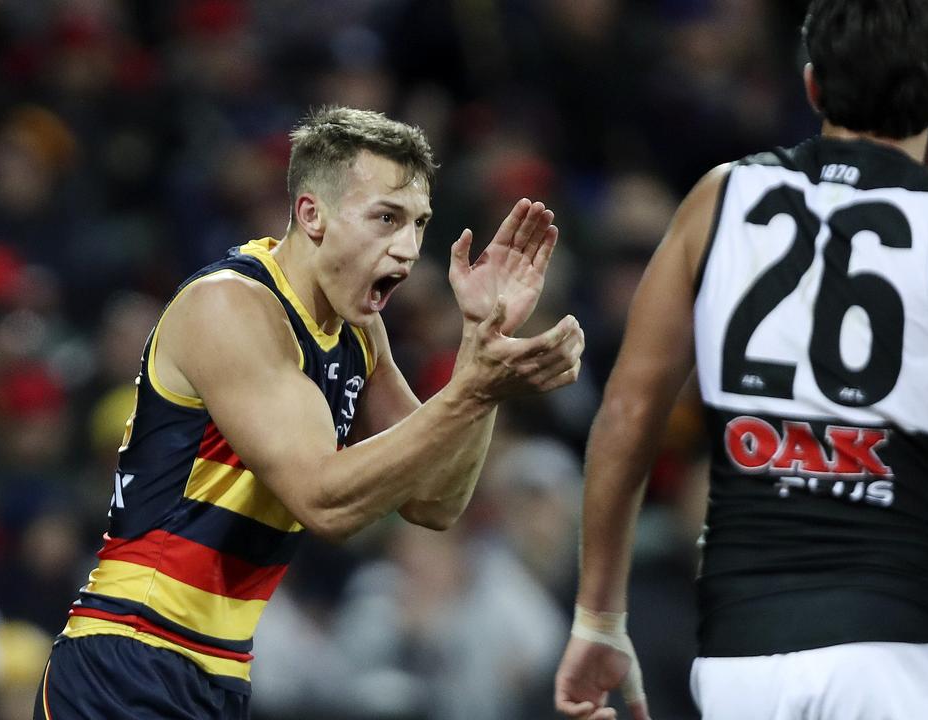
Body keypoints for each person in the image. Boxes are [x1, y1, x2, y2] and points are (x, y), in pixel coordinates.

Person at [553, 1, 928, 719]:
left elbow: (629, 412)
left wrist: (598, 617)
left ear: (813, 85)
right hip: (905, 646)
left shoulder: (718, 198)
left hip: (743, 653)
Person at [33, 106, 584, 720]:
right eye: (385, 218)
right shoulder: (232, 308)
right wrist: (472, 390)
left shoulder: (358, 330)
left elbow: (436, 501)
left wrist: (481, 345)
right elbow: (324, 500)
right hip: (128, 654)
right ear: (311, 214)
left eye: (418, 224)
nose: (406, 248)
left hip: (217, 673)